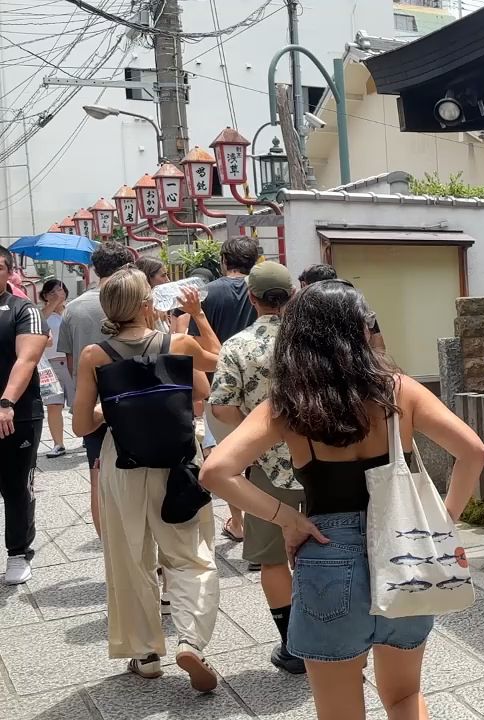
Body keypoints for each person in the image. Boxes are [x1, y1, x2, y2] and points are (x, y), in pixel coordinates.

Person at [200, 278, 484, 720]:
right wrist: (443, 520)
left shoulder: (288, 403)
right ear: (361, 329)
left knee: (339, 712)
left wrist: (287, 520)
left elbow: (216, 471)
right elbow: (473, 452)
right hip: (405, 552)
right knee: (405, 697)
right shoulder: (398, 390)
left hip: (328, 553)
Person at [70, 268, 222, 691]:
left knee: (130, 555)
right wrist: (196, 315)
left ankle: (146, 653)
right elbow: (216, 366)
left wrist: (113, 411)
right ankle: (191, 640)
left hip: (124, 460)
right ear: (146, 304)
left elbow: (82, 425)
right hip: (177, 459)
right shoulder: (179, 342)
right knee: (191, 553)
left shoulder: (94, 356)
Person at [207, 261, 306, 674]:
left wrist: (253, 429)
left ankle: (294, 647)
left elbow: (221, 405)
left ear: (251, 297)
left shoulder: (237, 346)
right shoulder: (313, 341)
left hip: (268, 467)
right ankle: (336, 632)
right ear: (293, 295)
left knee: (272, 558)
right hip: (322, 461)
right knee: (330, 548)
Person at [56, 240, 134, 537]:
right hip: (137, 401)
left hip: (93, 406)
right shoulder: (138, 301)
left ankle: (109, 549)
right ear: (127, 267)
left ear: (94, 268)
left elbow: (70, 361)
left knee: (98, 477)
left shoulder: (73, 309)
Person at [195, 237, 261, 544]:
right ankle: (265, 519)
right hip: (260, 381)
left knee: (228, 456)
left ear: (223, 260)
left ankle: (238, 521)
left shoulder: (208, 294)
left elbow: (196, 345)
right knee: (262, 451)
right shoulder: (260, 288)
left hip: (220, 386)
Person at [0, 248, 48, 586]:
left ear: (8, 271)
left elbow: (26, 359)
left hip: (16, 413)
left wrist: (6, 401)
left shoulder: (23, 310)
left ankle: (18, 552)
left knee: (16, 487)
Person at [297, 264, 387, 352]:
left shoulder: (303, 311)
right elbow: (379, 348)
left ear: (305, 285)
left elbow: (378, 345)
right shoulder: (355, 300)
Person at [40, 279, 72, 459]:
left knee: (79, 402)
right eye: (51, 292)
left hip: (70, 361)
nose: (56, 295)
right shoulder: (41, 314)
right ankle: (58, 443)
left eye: (59, 291)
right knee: (53, 404)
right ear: (44, 295)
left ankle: (87, 434)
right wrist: (53, 303)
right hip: (50, 364)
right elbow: (38, 325)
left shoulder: (71, 312)